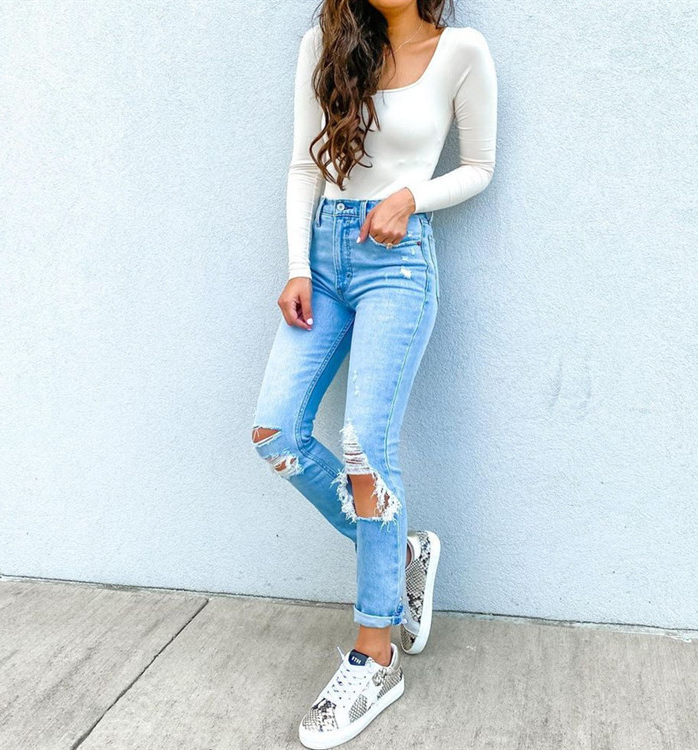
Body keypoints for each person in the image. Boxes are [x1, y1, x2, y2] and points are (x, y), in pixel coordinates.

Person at [252, 1, 497, 746]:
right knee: (276, 433)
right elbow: (305, 164)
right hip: (323, 256)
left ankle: (376, 653)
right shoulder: (323, 44)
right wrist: (297, 266)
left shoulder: (462, 50)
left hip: (398, 261)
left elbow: (480, 168)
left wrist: (411, 195)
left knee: (364, 447)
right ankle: (402, 552)